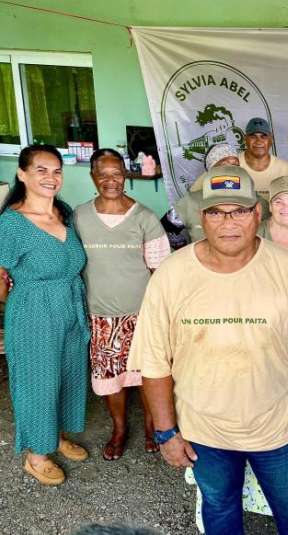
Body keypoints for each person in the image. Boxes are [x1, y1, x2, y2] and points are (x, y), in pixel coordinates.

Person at [128, 165, 288, 535]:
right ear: (202, 217)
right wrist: (167, 433)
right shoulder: (171, 275)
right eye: (216, 211)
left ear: (257, 213)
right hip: (204, 433)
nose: (228, 222)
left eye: (239, 210)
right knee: (219, 509)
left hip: (277, 430)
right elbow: (153, 363)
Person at [0, 144, 90, 485]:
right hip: (34, 312)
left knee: (67, 376)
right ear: (22, 174)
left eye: (56, 171)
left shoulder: (63, 215)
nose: (50, 177)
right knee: (39, 382)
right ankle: (36, 456)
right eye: (41, 170)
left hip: (69, 306)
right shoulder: (12, 224)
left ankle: (54, 435)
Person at [74, 148, 171, 460]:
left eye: (117, 173)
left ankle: (151, 426)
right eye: (103, 174)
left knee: (147, 375)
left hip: (141, 315)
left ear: (126, 176)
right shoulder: (79, 217)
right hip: (100, 316)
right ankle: (119, 429)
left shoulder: (144, 217)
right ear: (92, 177)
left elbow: (161, 270)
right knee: (110, 379)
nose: (110, 180)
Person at [174, 143, 269, 243]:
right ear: (211, 171)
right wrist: (188, 253)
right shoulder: (191, 201)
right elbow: (168, 228)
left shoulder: (254, 199)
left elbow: (274, 228)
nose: (231, 169)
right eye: (223, 165)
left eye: (236, 165)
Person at [238, 117, 288, 200]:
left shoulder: (285, 168)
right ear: (245, 139)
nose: (258, 141)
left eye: (263, 136)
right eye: (253, 136)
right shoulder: (233, 165)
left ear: (271, 140)